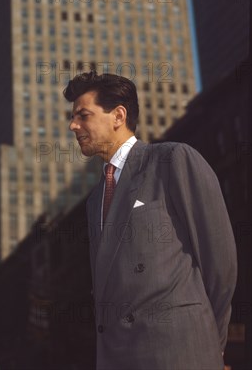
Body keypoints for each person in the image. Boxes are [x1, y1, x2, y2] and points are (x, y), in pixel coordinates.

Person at [63, 71, 237, 370]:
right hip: (119, 356)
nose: (73, 125)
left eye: (83, 115)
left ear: (118, 115)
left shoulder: (173, 159)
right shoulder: (94, 201)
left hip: (180, 351)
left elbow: (220, 262)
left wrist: (210, 341)